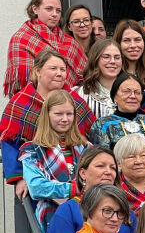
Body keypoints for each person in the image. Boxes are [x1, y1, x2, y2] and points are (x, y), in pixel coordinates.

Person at [19, 89, 91, 233]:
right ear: (47, 115)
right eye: (59, 114)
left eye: (69, 114)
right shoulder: (32, 151)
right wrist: (74, 188)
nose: (64, 119)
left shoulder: (85, 148)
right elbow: (37, 186)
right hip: (52, 217)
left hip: (85, 217)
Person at [1, 49, 95, 198]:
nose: (59, 73)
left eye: (63, 69)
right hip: (40, 180)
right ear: (37, 71)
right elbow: (9, 144)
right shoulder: (20, 102)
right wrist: (19, 178)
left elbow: (90, 136)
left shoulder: (75, 101)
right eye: (53, 68)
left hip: (77, 182)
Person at [48, 146, 130, 233]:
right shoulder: (67, 212)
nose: (108, 172)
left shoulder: (125, 210)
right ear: (83, 173)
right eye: (100, 166)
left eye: (112, 168)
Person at [4, 0, 86, 97]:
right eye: (49, 9)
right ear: (35, 9)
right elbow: (23, 83)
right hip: (33, 100)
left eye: (58, 10)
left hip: (69, 102)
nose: (54, 14)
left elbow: (87, 76)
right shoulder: (21, 38)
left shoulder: (69, 41)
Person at [89, 73, 145, 151]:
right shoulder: (103, 125)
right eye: (126, 91)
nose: (132, 96)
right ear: (114, 96)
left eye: (137, 92)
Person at [76, 39, 123, 119]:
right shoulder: (80, 95)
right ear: (95, 59)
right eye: (106, 57)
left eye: (117, 57)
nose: (112, 61)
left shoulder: (132, 92)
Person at [113, 20, 145, 90]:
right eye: (126, 40)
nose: (133, 45)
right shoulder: (111, 75)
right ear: (118, 43)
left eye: (137, 40)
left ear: (144, 42)